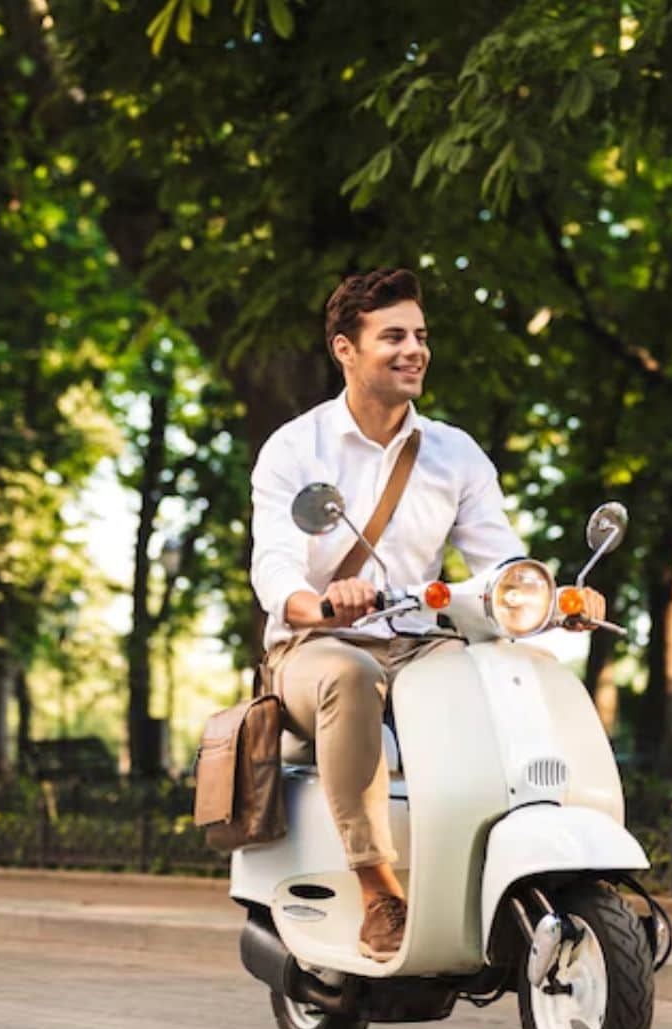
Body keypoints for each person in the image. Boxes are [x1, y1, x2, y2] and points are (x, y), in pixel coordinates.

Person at [249, 267, 604, 962]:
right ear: (345, 350)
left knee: (503, 670)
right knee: (349, 677)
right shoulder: (296, 447)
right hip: (313, 649)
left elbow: (498, 561)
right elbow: (274, 567)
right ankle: (379, 888)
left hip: (416, 642)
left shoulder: (453, 452)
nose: (414, 349)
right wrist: (318, 604)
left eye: (420, 335)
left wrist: (556, 601)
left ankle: (505, 857)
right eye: (393, 336)